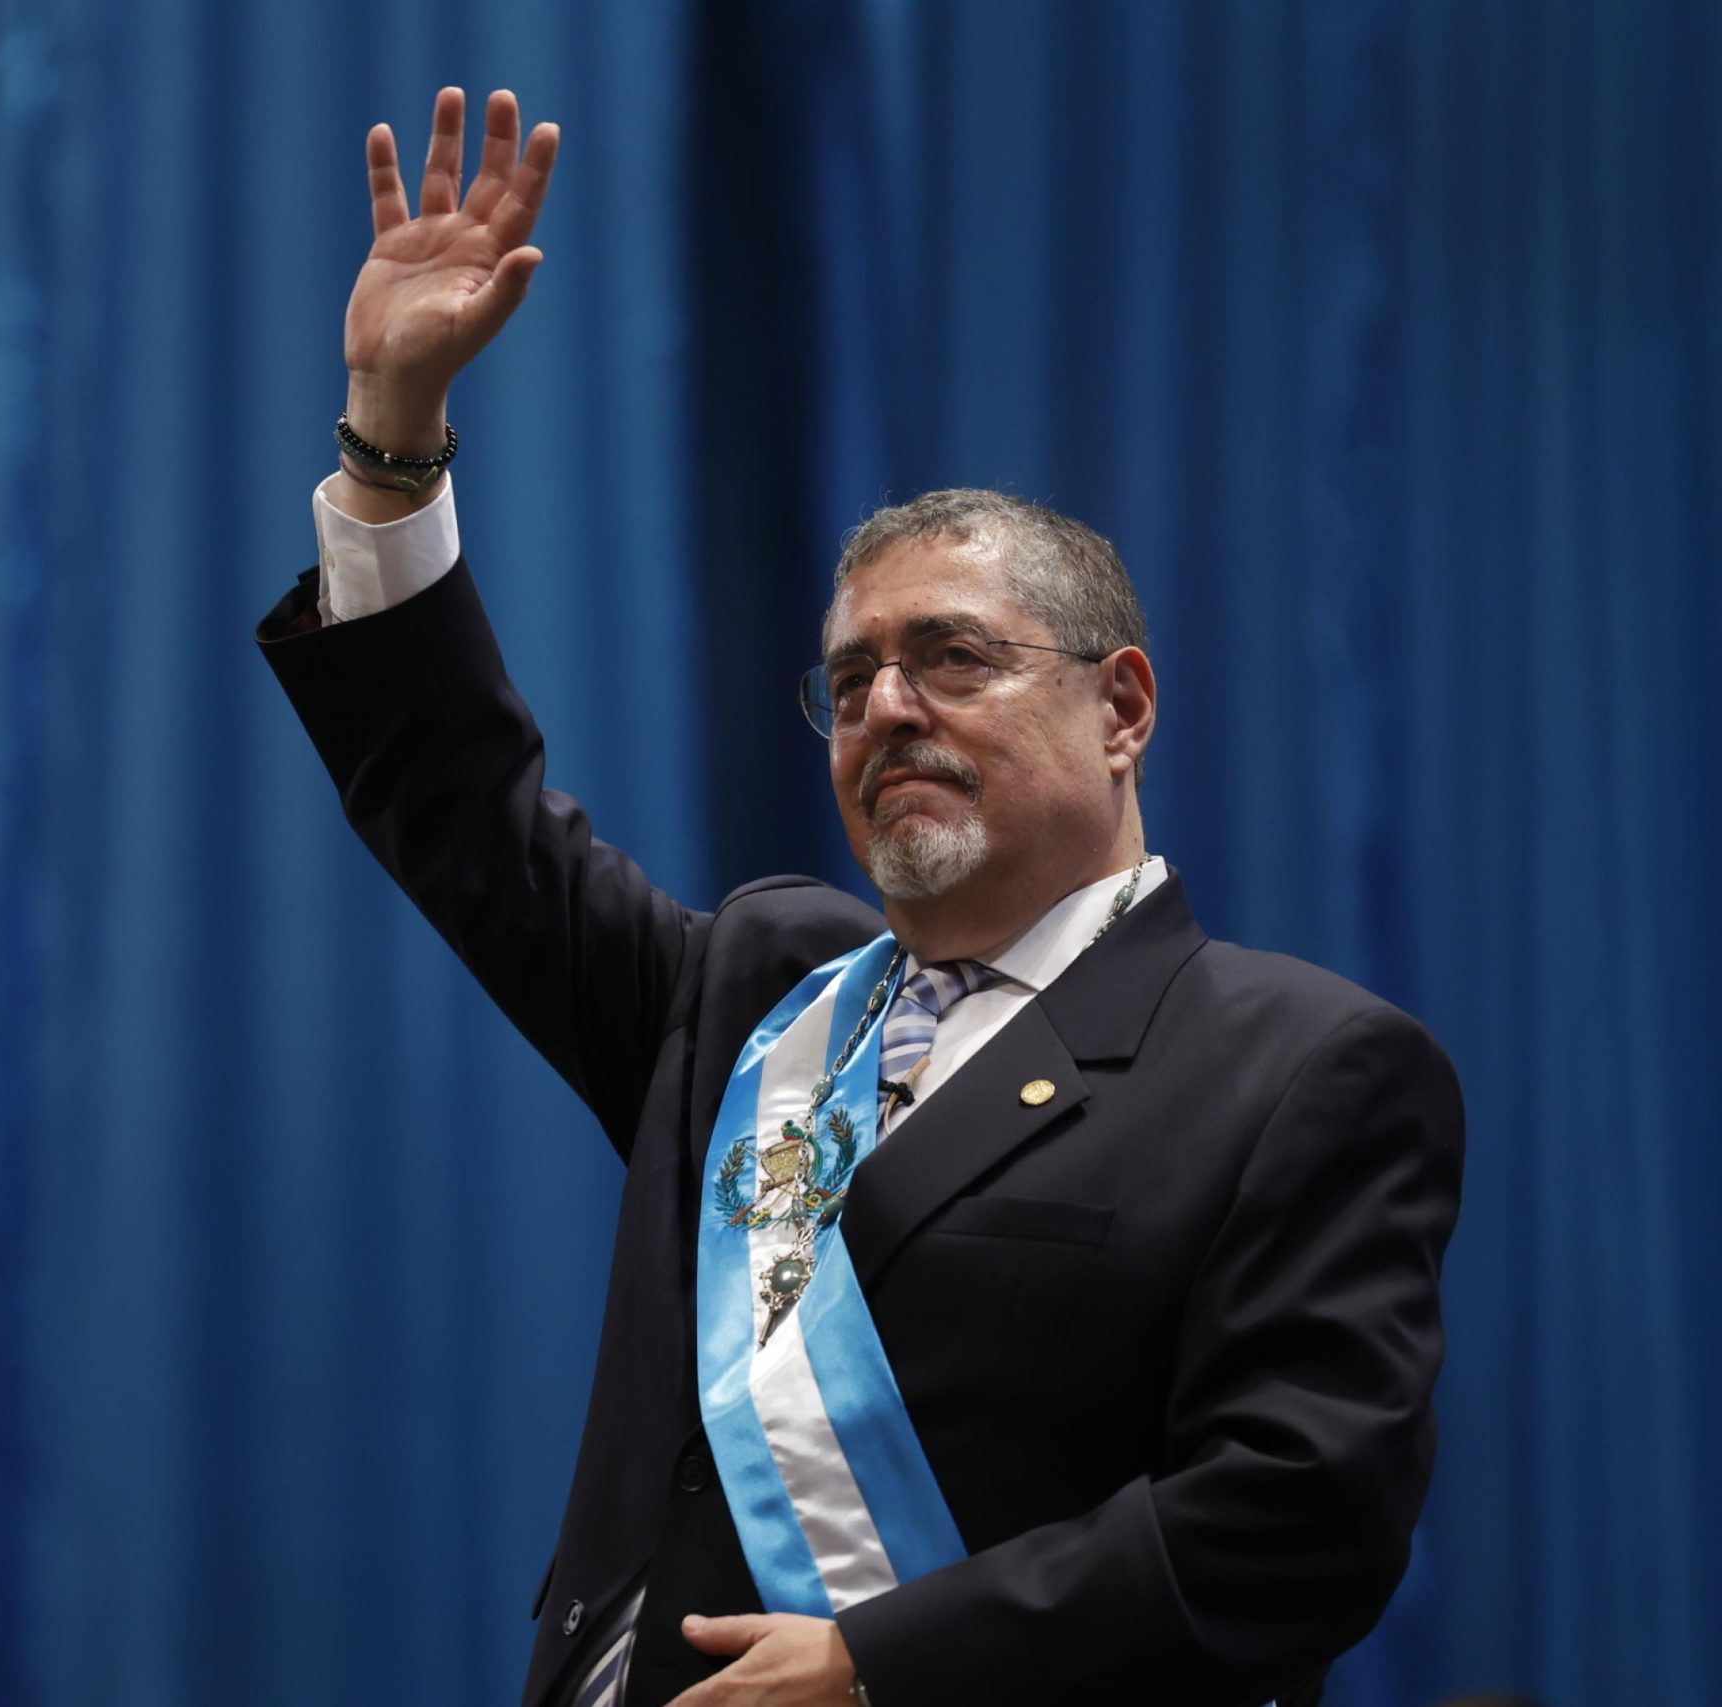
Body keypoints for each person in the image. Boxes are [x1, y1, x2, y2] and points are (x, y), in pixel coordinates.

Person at [255, 87, 1463, 1707]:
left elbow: (1304, 1514)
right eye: (850, 679)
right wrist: (392, 438)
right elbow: (466, 816)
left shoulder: (1297, 1064)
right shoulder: (757, 995)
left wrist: (886, 1667)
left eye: (952, 658)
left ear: (1123, 708)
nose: (887, 705)